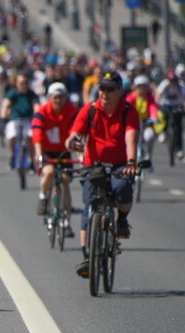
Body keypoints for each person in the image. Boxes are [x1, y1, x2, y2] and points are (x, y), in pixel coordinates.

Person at [64, 71, 140, 278]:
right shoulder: (90, 109)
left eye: (110, 89)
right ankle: (88, 257)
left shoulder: (128, 111)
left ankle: (122, 220)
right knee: (90, 206)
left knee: (123, 189)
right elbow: (74, 134)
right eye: (101, 89)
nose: (104, 93)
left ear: (120, 91)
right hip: (93, 165)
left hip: (120, 165)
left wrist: (131, 162)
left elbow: (131, 138)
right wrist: (72, 142)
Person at [32, 82, 78, 239]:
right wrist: (39, 154)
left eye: (61, 97)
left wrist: (79, 152)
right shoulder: (42, 112)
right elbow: (37, 133)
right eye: (55, 97)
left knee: (65, 180)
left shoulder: (72, 110)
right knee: (49, 172)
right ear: (49, 98)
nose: (58, 100)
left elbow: (77, 130)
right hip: (46, 151)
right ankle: (43, 197)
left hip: (64, 151)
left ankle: (66, 221)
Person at [1, 73, 40, 170]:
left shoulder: (31, 94)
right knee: (11, 137)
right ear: (16, 84)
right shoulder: (13, 93)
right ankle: (13, 155)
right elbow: (6, 104)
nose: (24, 85)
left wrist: (37, 115)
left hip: (28, 120)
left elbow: (36, 105)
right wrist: (3, 114)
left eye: (26, 83)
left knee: (31, 137)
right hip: (14, 120)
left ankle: (32, 160)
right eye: (21, 83)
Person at [126, 75, 160, 164]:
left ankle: (148, 156)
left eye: (144, 87)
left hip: (146, 122)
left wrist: (154, 118)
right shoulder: (131, 97)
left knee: (149, 136)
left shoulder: (149, 98)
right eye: (140, 87)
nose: (142, 89)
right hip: (133, 123)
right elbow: (125, 107)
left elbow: (153, 109)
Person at [156, 69, 185, 159]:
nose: (171, 82)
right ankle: (163, 132)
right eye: (170, 80)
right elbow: (158, 94)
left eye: (173, 80)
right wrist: (156, 103)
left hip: (177, 105)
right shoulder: (164, 84)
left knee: (178, 127)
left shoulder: (181, 85)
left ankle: (179, 149)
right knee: (163, 116)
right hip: (166, 105)